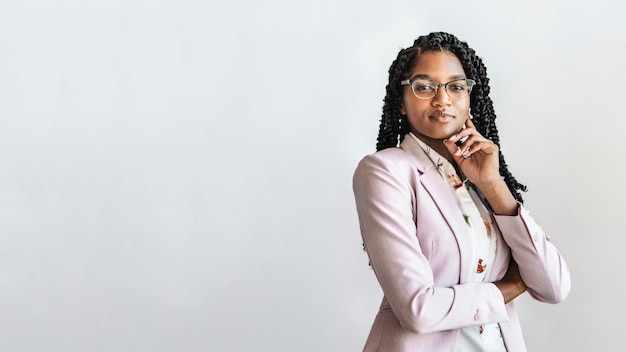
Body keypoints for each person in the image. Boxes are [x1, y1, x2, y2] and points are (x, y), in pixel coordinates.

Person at [352, 32, 571, 352]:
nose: (442, 100)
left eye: (456, 86)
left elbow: (553, 287)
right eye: (424, 86)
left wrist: (493, 184)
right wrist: (507, 288)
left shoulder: (483, 178)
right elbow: (418, 309)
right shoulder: (384, 172)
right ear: (400, 100)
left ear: (470, 98)